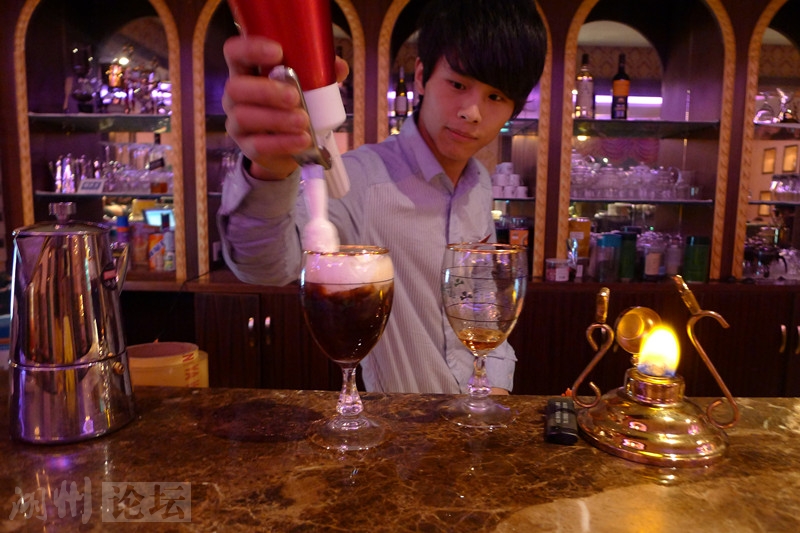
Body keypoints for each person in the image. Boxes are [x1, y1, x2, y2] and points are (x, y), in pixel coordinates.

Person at [218, 0, 547, 394]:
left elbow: (483, 304)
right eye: (458, 85)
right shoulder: (362, 179)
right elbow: (265, 265)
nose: (472, 112)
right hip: (403, 427)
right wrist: (269, 170)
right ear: (422, 77)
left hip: (479, 416)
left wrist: (495, 389)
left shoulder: (479, 185)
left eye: (496, 97)